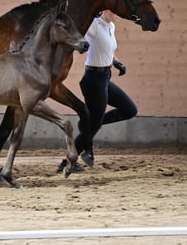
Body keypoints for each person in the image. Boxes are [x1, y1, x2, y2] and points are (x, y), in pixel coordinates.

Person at [58, 9, 137, 172]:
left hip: (105, 77)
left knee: (129, 110)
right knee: (94, 122)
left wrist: (116, 62)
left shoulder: (111, 26)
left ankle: (90, 124)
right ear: (106, 11)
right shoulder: (94, 25)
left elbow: (107, 48)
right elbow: (77, 33)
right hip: (93, 79)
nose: (119, 15)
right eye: (117, 12)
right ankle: (67, 162)